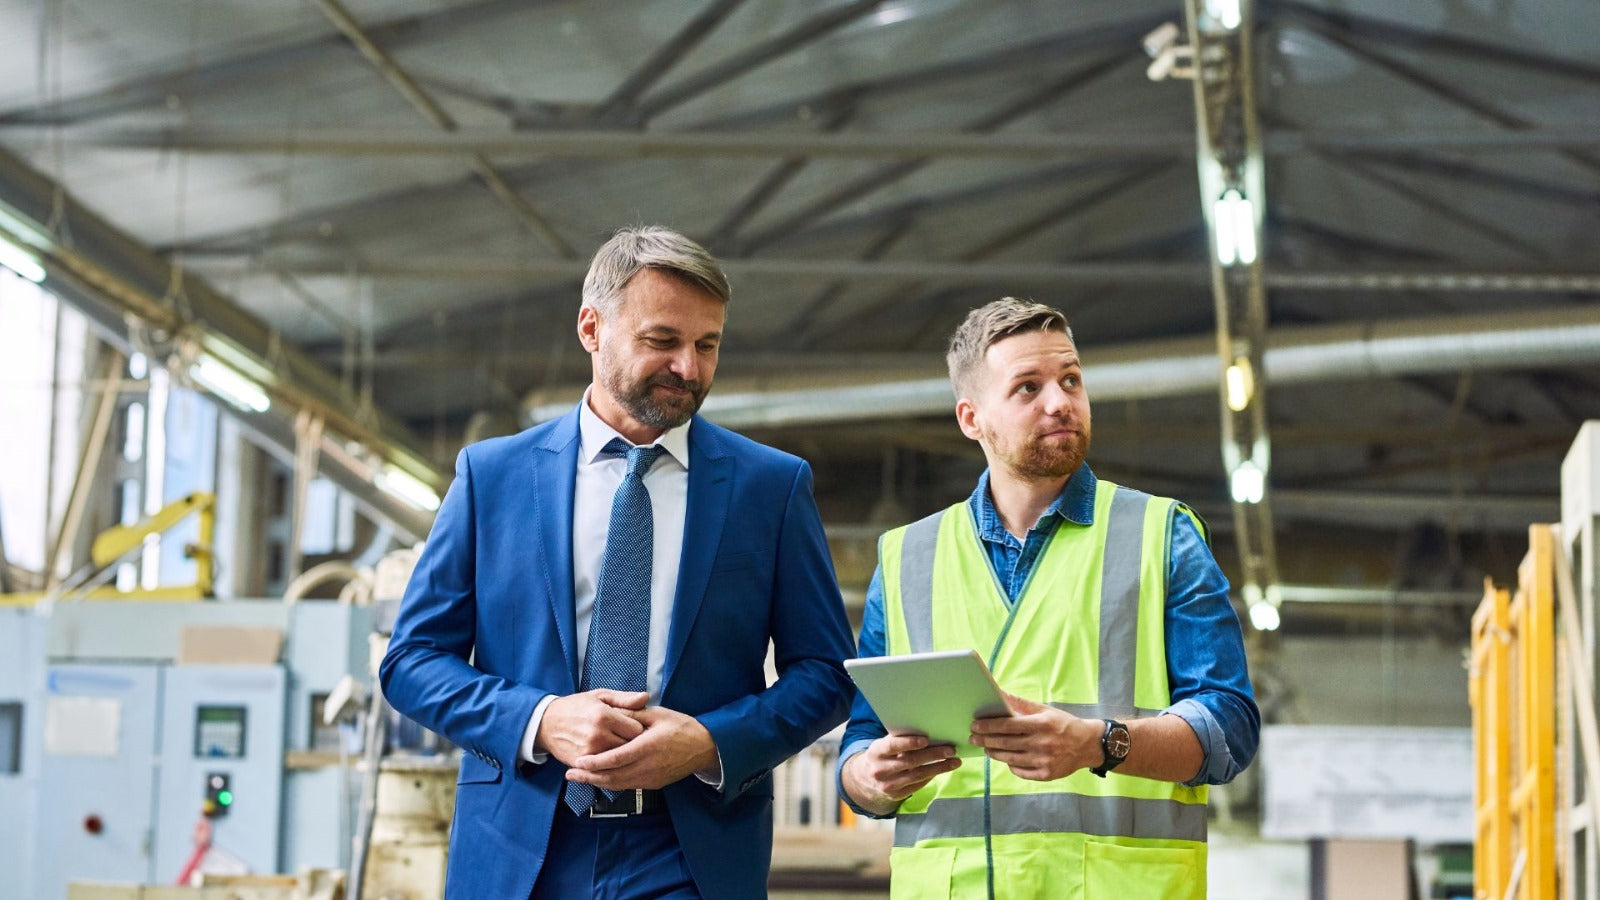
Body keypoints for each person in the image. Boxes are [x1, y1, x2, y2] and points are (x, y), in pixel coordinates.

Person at [381, 226, 856, 899]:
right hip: (522, 850)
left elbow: (827, 675)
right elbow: (412, 662)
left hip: (690, 853)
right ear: (591, 328)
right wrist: (540, 718)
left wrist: (708, 742)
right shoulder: (493, 478)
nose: (689, 368)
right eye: (663, 341)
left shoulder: (769, 489)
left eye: (707, 345)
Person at [837, 297, 1259, 899]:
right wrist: (869, 779)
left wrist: (1097, 743)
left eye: (1071, 380)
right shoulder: (907, 558)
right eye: (1028, 388)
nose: (1060, 401)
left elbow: (1229, 729)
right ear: (971, 418)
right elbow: (859, 745)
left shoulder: (1160, 535)